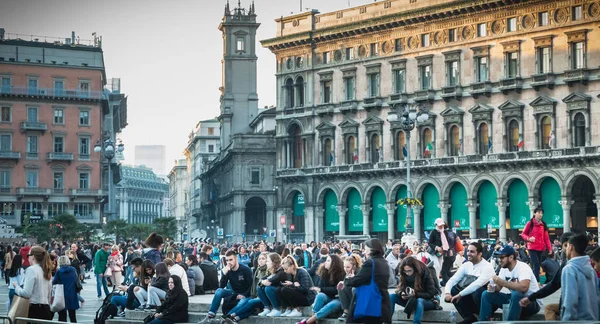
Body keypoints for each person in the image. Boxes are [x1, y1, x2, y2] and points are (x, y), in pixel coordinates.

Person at [478, 245, 541, 321]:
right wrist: (493, 287)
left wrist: (503, 282)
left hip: (531, 302)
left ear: (511, 257)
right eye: (499, 257)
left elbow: (524, 287)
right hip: (515, 300)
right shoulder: (504, 268)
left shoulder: (523, 267)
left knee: (517, 293)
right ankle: (483, 322)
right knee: (486, 294)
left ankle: (510, 322)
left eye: (502, 257)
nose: (499, 260)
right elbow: (499, 287)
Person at [444, 242, 495, 324]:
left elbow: (477, 284)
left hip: (486, 303)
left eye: (472, 252)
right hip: (470, 299)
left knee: (478, 290)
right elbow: (453, 280)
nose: (468, 254)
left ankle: (483, 317)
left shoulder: (487, 266)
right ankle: (469, 318)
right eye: (468, 251)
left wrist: (460, 294)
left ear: (480, 254)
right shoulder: (466, 265)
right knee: (453, 290)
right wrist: (447, 293)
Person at [343, 238, 392, 324]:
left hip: (370, 303)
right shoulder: (384, 262)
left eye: (365, 249)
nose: (364, 252)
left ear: (371, 250)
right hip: (382, 302)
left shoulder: (370, 263)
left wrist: (347, 279)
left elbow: (357, 281)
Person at [199, 250, 253, 323]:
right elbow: (221, 286)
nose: (229, 262)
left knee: (242, 302)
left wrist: (244, 295)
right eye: (227, 260)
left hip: (245, 293)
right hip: (234, 292)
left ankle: (225, 318)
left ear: (236, 259)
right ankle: (210, 315)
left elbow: (251, 286)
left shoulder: (245, 269)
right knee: (219, 291)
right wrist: (224, 274)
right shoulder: (228, 269)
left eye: (231, 260)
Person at [296, 254, 347, 324]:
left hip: (339, 299)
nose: (325, 262)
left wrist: (323, 289)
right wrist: (323, 290)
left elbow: (337, 289)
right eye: (326, 260)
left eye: (328, 261)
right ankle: (313, 320)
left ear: (334, 263)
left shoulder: (342, 273)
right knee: (320, 296)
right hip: (328, 297)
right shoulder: (324, 272)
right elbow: (322, 288)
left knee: (331, 305)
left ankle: (308, 322)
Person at [221, 252, 270, 323]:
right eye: (259, 259)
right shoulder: (257, 270)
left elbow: (254, 285)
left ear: (267, 260)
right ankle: (234, 319)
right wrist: (224, 274)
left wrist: (246, 295)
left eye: (263, 259)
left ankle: (228, 316)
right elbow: (221, 286)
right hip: (254, 295)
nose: (260, 260)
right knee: (249, 307)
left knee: (248, 302)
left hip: (263, 297)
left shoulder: (268, 270)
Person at [560, 233, 599, 320]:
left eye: (567, 246)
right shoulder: (591, 270)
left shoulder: (569, 269)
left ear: (571, 247)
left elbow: (570, 302)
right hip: (593, 320)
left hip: (578, 321)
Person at [389, 257, 438, 324]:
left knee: (419, 300)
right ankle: (387, 321)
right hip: (410, 301)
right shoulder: (403, 275)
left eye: (409, 270)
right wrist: (402, 293)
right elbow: (398, 289)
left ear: (415, 269)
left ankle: (416, 323)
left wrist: (416, 294)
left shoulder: (425, 273)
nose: (407, 273)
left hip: (428, 301)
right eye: (405, 271)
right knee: (391, 296)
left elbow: (431, 293)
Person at [14, 246, 53, 320]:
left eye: (28, 255)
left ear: (33, 257)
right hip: (46, 308)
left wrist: (16, 287)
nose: (27, 258)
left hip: (34, 309)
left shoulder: (31, 270)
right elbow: (49, 294)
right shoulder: (46, 270)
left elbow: (26, 293)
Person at [520, 207, 553, 282]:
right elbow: (523, 234)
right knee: (536, 265)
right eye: (538, 212)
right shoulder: (530, 223)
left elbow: (546, 238)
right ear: (534, 213)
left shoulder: (543, 225)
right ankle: (536, 282)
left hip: (541, 248)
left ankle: (533, 280)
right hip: (532, 247)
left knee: (537, 265)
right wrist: (529, 238)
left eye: (541, 213)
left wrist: (550, 248)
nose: (540, 214)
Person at [257, 252, 289, 317]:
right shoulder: (272, 270)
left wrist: (265, 281)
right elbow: (261, 279)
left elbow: (271, 280)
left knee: (268, 288)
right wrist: (263, 281)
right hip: (276, 295)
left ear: (274, 262)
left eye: (268, 261)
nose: (266, 263)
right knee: (259, 287)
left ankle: (277, 309)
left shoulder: (281, 271)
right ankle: (267, 308)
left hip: (283, 297)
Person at [428, 218, 457, 284]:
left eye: (442, 225)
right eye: (439, 225)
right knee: (437, 265)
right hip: (433, 252)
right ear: (436, 225)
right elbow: (430, 242)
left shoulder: (445, 232)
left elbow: (446, 242)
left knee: (440, 266)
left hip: (441, 252)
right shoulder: (433, 232)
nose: (441, 226)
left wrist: (447, 249)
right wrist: (436, 247)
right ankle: (436, 281)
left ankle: (436, 280)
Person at [54, 255, 81, 322]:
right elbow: (77, 281)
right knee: (72, 316)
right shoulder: (73, 270)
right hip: (72, 294)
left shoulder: (59, 272)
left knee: (62, 316)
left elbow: (54, 282)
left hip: (61, 295)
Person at [337, 254, 362, 321]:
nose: (345, 269)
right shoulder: (348, 273)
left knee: (354, 289)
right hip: (351, 298)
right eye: (344, 267)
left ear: (354, 266)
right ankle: (346, 311)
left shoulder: (359, 272)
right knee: (341, 286)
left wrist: (354, 279)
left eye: (348, 267)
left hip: (361, 298)